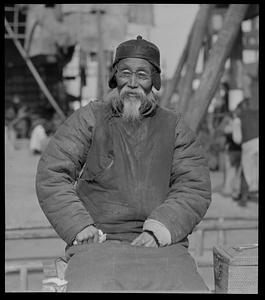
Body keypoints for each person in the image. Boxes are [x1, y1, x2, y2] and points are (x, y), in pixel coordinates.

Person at [36, 35, 212, 292]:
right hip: (98, 239)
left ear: (155, 80)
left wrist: (159, 230)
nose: (132, 83)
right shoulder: (91, 118)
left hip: (162, 242)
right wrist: (79, 225)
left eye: (142, 75)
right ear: (114, 77)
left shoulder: (174, 126)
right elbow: (52, 172)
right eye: (124, 73)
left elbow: (194, 185)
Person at [232, 98, 259, 206]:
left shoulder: (238, 118)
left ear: (240, 108)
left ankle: (244, 198)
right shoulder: (256, 113)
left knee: (246, 171)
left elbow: (237, 139)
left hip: (248, 144)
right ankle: (253, 193)